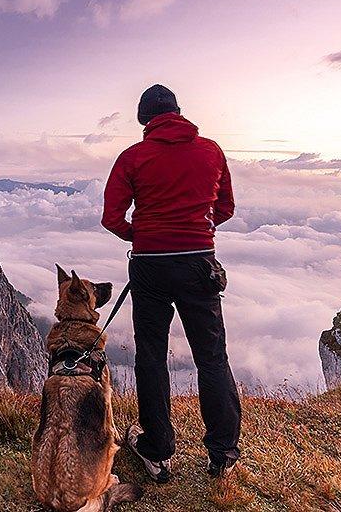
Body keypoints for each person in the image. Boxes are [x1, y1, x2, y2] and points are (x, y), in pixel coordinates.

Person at [101, 84, 241, 483]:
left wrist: (142, 236)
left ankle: (158, 451)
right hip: (199, 263)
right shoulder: (211, 151)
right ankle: (223, 453)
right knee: (212, 357)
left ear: (144, 119)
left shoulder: (133, 157)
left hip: (150, 268)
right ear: (179, 112)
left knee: (151, 356)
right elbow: (225, 207)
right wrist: (195, 230)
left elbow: (112, 217)